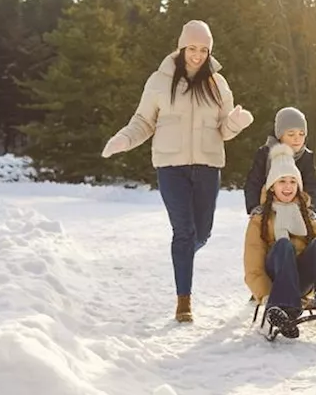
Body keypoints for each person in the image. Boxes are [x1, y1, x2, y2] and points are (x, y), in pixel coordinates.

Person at [101, 19, 254, 323]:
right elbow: (143, 121)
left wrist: (236, 123)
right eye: (192, 48)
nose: (197, 55)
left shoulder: (218, 84)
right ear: (182, 46)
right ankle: (183, 300)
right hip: (171, 168)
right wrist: (123, 139)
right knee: (183, 232)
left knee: (202, 232)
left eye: (204, 50)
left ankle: (182, 254)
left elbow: (224, 129)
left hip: (208, 166)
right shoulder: (159, 81)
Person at [244, 144, 316, 338]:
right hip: (276, 282)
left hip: (300, 280)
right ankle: (284, 309)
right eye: (282, 181)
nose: (288, 186)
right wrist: (266, 295)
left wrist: (312, 296)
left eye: (293, 181)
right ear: (272, 186)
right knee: (283, 245)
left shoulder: (307, 216)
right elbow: (252, 267)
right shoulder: (260, 217)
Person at [243, 106, 316, 214]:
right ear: (280, 135)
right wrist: (254, 207)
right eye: (291, 134)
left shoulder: (306, 157)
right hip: (267, 210)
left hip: (296, 211)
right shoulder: (265, 154)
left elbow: (312, 186)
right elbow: (253, 183)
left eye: (301, 134)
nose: (297, 138)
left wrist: (310, 209)